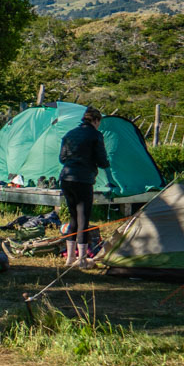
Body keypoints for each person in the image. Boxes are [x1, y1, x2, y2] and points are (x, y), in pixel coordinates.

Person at [58, 107, 110, 264]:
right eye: (99, 122)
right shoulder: (95, 135)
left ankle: (70, 258)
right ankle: (81, 258)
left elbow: (62, 158)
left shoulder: (70, 133)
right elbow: (101, 161)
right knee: (83, 218)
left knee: (73, 217)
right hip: (83, 179)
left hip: (66, 178)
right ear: (96, 120)